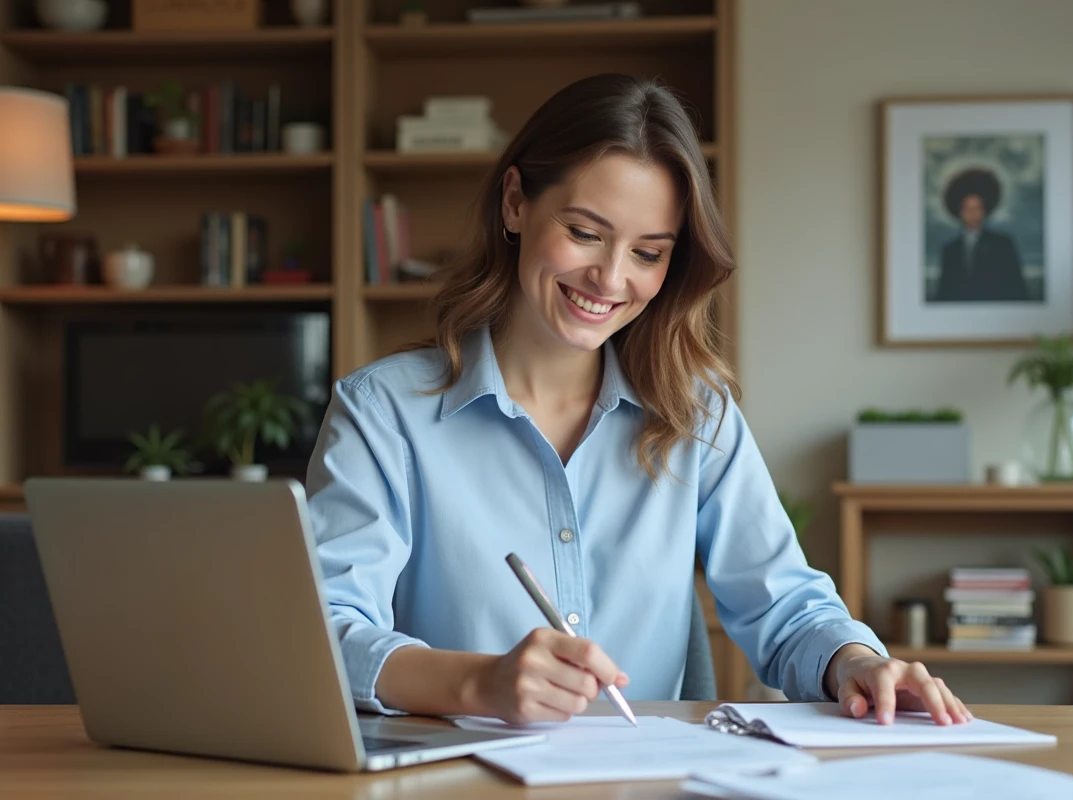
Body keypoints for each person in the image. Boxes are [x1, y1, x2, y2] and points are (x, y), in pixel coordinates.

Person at [306, 73, 971, 727]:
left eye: (649, 253)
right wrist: (480, 683)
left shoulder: (695, 414)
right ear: (515, 202)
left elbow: (785, 606)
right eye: (586, 233)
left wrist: (854, 662)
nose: (610, 278)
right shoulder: (383, 412)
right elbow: (326, 632)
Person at [931, 167, 1029, 303]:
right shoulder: (950, 250)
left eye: (977, 208)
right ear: (958, 211)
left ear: (985, 210)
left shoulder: (1003, 244)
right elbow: (944, 294)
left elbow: (1018, 290)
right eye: (967, 208)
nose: (972, 214)